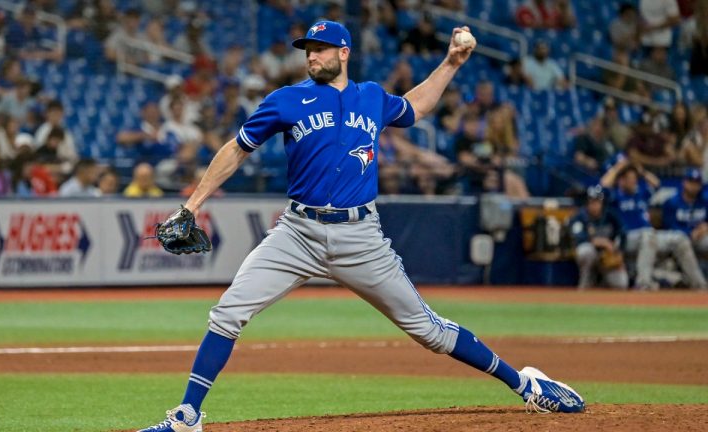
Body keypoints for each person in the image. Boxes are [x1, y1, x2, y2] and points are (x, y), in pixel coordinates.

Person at [136, 21, 584, 432]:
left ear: (343, 52)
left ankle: (525, 384)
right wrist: (191, 205)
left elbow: (415, 107)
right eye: (308, 50)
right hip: (297, 233)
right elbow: (236, 149)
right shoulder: (286, 100)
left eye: (321, 49)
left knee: (428, 330)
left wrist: (450, 63)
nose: (312, 57)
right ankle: (187, 416)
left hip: (361, 237)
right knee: (228, 313)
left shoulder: (371, 96)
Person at [601, 159, 707, 290]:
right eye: (629, 179)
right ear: (621, 180)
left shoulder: (640, 194)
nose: (634, 181)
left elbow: (657, 184)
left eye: (634, 178)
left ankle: (700, 284)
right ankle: (643, 284)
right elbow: (603, 187)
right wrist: (618, 168)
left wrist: (641, 171)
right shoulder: (615, 196)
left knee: (680, 238)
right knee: (648, 234)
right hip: (625, 238)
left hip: (649, 237)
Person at [568, 185, 629, 289]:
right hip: (591, 253)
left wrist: (619, 253)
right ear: (587, 203)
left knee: (621, 283)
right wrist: (598, 241)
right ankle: (585, 283)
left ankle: (602, 283)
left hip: (606, 255)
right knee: (585, 251)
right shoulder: (580, 217)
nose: (595, 205)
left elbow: (623, 233)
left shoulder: (610, 215)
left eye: (597, 202)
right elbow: (577, 236)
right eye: (592, 202)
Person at [661, 168, 708, 256]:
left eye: (697, 183)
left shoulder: (705, 201)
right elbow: (668, 226)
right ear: (684, 182)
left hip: (700, 237)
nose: (693, 186)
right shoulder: (672, 202)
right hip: (679, 238)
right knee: (681, 241)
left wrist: (705, 227)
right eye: (691, 182)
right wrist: (689, 233)